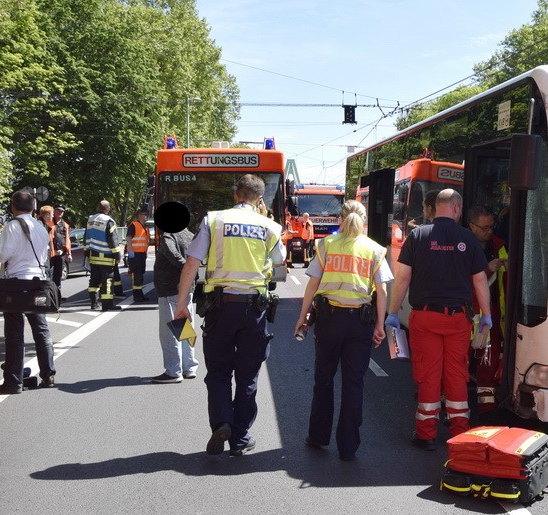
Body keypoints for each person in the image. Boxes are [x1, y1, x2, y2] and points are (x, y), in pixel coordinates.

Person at [174, 174, 286, 457]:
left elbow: (191, 263)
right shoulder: (270, 226)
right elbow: (279, 265)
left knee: (219, 372)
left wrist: (181, 303)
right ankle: (240, 438)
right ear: (259, 199)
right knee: (248, 376)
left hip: (219, 307)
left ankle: (222, 423)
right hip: (254, 310)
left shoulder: (214, 220)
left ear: (236, 194)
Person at [386, 189, 491, 450]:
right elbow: (479, 281)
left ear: (436, 207)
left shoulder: (418, 236)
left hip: (425, 317)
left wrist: (392, 312)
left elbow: (402, 278)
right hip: (458, 320)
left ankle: (426, 434)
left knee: (428, 374)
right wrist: (487, 315)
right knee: (457, 374)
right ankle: (459, 433)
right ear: (456, 208)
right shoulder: (468, 238)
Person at [294, 200, 392, 461]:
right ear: (365, 220)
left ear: (340, 219)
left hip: (328, 320)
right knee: (354, 383)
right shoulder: (374, 250)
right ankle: (348, 447)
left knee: (323, 378)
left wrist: (303, 317)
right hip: (360, 323)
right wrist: (380, 324)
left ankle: (318, 436)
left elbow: (312, 285)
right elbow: (381, 291)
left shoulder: (326, 245)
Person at [0, 190, 56, 393]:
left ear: (13, 206)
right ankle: (48, 375)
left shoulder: (12, 226)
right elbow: (44, 254)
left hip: (17, 285)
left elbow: (3, 254)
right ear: (33, 207)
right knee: (41, 331)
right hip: (38, 283)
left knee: (15, 334)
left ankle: (13, 381)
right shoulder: (41, 227)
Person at [467, 205, 508, 414]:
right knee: (459, 361)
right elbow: (460, 278)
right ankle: (450, 406)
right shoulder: (461, 246)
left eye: (491, 227)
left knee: (489, 359)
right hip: (467, 313)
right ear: (471, 226)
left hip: (490, 315)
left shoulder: (499, 245)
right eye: (484, 228)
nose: (489, 231)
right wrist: (487, 268)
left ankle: (487, 407)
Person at [151, 222, 199, 383]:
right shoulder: (190, 235)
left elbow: (172, 253)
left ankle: (173, 371)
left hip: (170, 288)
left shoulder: (168, 235)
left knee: (169, 332)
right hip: (188, 287)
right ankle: (189, 367)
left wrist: (186, 267)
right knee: (186, 328)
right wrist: (191, 272)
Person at [85, 200, 121, 311]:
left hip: (93, 256)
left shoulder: (90, 219)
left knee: (94, 280)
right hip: (106, 256)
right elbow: (113, 240)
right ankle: (107, 305)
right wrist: (117, 255)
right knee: (107, 281)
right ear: (108, 208)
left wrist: (86, 252)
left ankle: (94, 304)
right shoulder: (108, 221)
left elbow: (86, 237)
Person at [49, 204, 72, 298]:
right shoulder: (49, 223)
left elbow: (67, 240)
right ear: (54, 211)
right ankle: (50, 295)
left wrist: (68, 253)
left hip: (60, 254)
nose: (60, 213)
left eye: (62, 211)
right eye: (58, 210)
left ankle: (57, 296)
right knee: (49, 274)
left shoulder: (65, 225)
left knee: (58, 276)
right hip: (50, 253)